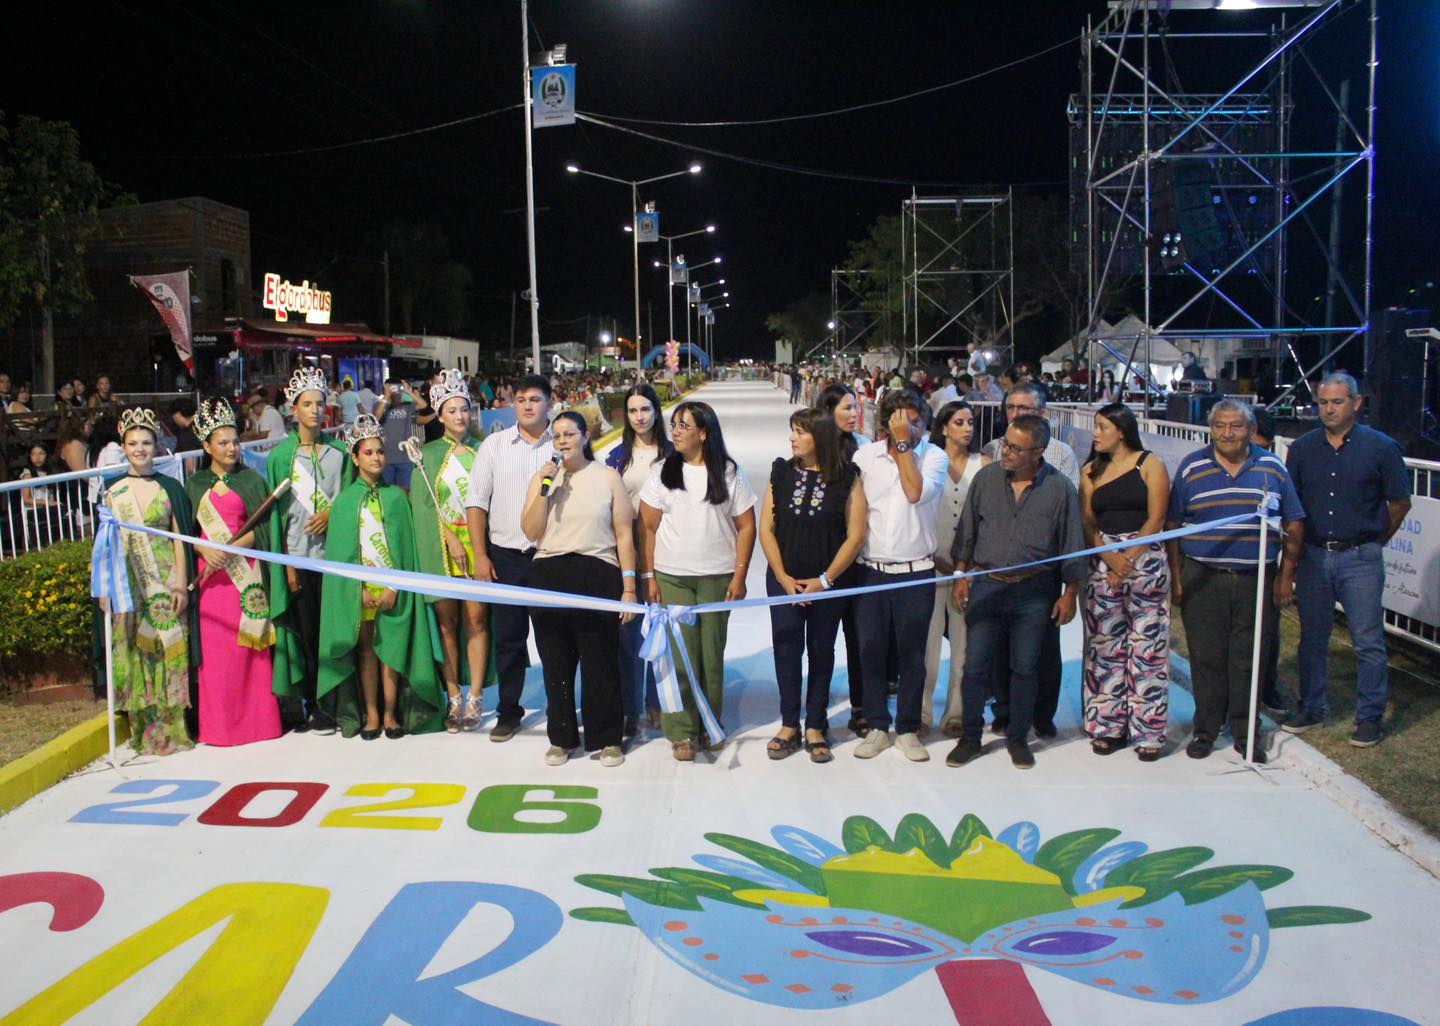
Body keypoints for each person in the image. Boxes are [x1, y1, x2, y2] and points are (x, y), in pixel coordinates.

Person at [1165, 399, 1305, 762]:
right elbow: (1173, 524)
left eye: (1236, 426)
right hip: (1203, 577)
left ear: (1251, 429)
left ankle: (1246, 734)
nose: (1227, 433)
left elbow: (1294, 521)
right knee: (1206, 657)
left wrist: (1286, 575)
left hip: (1255, 578)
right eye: (1219, 426)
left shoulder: (1272, 467)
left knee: (1249, 658)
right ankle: (1206, 730)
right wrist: (1176, 576)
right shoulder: (1192, 467)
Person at [947, 414, 1086, 769]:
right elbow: (967, 531)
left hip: (1035, 592)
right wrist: (960, 575)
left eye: (1015, 448)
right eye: (1005, 444)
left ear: (1038, 452)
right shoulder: (986, 479)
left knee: (1025, 667)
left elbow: (1071, 542)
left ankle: (1018, 737)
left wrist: (1070, 593)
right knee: (975, 666)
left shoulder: (1060, 489)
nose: (1005, 452)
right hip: (988, 585)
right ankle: (971, 737)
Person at [1283, 371, 1412, 747]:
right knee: (1312, 638)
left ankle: (1369, 718)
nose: (1328, 409)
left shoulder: (1381, 448)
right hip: (1313, 556)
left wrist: (1373, 542)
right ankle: (1312, 707)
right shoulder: (1302, 449)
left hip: (1360, 557)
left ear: (1356, 403)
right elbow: (1292, 506)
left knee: (1368, 641)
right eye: (1323, 402)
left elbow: (1400, 502)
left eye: (1337, 402)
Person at [639, 401, 757, 761]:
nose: (675, 432)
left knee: (710, 655)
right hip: (673, 577)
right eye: (674, 425)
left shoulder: (729, 472)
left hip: (717, 577)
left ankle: (710, 723)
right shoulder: (662, 471)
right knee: (680, 656)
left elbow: (746, 526)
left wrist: (739, 574)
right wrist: (649, 576)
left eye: (684, 426)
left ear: (704, 434)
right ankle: (682, 732)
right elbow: (648, 527)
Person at [521, 411, 637, 767]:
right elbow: (531, 531)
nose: (563, 441)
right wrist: (544, 490)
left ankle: (608, 737)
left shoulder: (607, 477)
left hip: (596, 572)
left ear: (585, 437)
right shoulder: (543, 479)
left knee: (600, 660)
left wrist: (629, 588)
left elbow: (623, 534)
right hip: (549, 574)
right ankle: (561, 737)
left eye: (570, 434)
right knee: (556, 663)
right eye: (557, 436)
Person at [318, 415, 444, 739]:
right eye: (368, 452)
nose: (376, 458)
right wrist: (356, 590)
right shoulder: (344, 503)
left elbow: (407, 549)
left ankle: (390, 713)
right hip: (360, 592)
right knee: (367, 652)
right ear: (355, 458)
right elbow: (341, 556)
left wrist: (394, 587)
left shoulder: (397, 498)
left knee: (391, 650)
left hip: (391, 590)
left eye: (380, 452)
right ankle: (371, 713)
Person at [758, 407, 866, 763]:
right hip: (784, 581)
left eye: (800, 432)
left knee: (822, 651)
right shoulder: (781, 473)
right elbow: (766, 529)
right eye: (792, 431)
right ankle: (789, 723)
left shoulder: (848, 478)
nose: (792, 438)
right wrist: (782, 577)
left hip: (828, 584)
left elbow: (855, 536)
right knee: (787, 648)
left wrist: (825, 580)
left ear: (819, 437)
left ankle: (816, 724)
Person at [851, 388, 948, 762]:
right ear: (887, 424)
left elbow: (914, 493)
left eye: (917, 422)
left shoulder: (934, 456)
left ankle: (907, 728)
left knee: (912, 655)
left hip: (916, 572)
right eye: (903, 422)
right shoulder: (865, 456)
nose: (911, 429)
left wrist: (905, 445)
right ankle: (877, 725)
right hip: (871, 571)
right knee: (871, 651)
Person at [465, 374, 558, 742]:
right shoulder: (495, 445)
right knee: (509, 639)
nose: (527, 406)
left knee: (554, 638)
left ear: (550, 402)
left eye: (535, 399)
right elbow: (476, 503)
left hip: (551, 558)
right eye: (521, 400)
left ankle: (559, 709)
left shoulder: (563, 442)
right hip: (505, 557)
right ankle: (508, 711)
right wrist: (480, 555)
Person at [100, 408, 198, 756]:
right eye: (133, 443)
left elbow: (180, 540)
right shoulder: (113, 491)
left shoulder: (170, 487)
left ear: (156, 446)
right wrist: (106, 588)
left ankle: (173, 730)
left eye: (146, 442)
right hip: (130, 583)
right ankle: (142, 731)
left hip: (165, 580)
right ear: (123, 446)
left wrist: (181, 584)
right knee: (136, 653)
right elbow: (105, 545)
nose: (139, 449)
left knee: (169, 650)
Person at [185, 397, 280, 747]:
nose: (231, 448)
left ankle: (259, 723)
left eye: (235, 441)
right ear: (207, 446)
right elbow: (185, 532)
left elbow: (264, 526)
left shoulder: (251, 481)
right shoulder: (194, 485)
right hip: (211, 578)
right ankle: (219, 727)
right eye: (223, 442)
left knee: (249, 649)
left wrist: (234, 546)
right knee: (217, 656)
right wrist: (204, 549)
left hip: (244, 574)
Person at [1079, 403, 1172, 760]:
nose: (1096, 434)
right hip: (1104, 563)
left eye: (1102, 427)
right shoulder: (1090, 471)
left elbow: (1157, 518)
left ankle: (1148, 730)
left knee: (1147, 647)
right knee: (1105, 646)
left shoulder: (1150, 465)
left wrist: (1129, 558)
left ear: (1122, 431)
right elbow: (1088, 523)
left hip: (1145, 562)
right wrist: (1110, 558)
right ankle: (1107, 726)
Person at [266, 367, 353, 734]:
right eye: (308, 404)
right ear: (294, 409)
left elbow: (349, 498)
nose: (315, 410)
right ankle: (315, 703)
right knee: (307, 632)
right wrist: (286, 565)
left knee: (333, 630)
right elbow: (278, 519)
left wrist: (333, 513)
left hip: (333, 559)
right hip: (299, 559)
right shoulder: (280, 458)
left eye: (320, 403)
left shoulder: (339, 453)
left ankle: (339, 702)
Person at [410, 369, 492, 732]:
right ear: (440, 416)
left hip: (478, 545)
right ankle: (453, 695)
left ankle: (476, 696)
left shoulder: (484, 450)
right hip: (443, 548)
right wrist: (449, 538)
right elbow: (424, 507)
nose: (460, 416)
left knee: (477, 620)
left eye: (464, 409)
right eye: (452, 410)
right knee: (447, 624)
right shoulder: (426, 456)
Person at [605, 383, 673, 734]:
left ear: (656, 411)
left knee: (662, 627)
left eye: (645, 409)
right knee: (628, 630)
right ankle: (631, 704)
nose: (639, 416)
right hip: (628, 548)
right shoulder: (618, 457)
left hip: (667, 547)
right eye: (632, 411)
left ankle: (658, 701)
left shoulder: (673, 453)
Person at [923, 401, 986, 738]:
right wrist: (937, 560)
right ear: (944, 427)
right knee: (927, 644)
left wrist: (967, 566)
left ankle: (957, 713)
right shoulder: (928, 460)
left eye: (971, 422)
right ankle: (921, 712)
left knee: (963, 645)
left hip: (969, 569)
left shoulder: (984, 464)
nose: (967, 428)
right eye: (959, 422)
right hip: (931, 565)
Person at [819, 383, 871, 734]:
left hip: (860, 558)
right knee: (822, 642)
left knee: (860, 639)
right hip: (824, 556)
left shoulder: (865, 448)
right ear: (829, 412)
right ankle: (816, 709)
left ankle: (862, 706)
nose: (854, 414)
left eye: (855, 407)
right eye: (846, 408)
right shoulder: (814, 448)